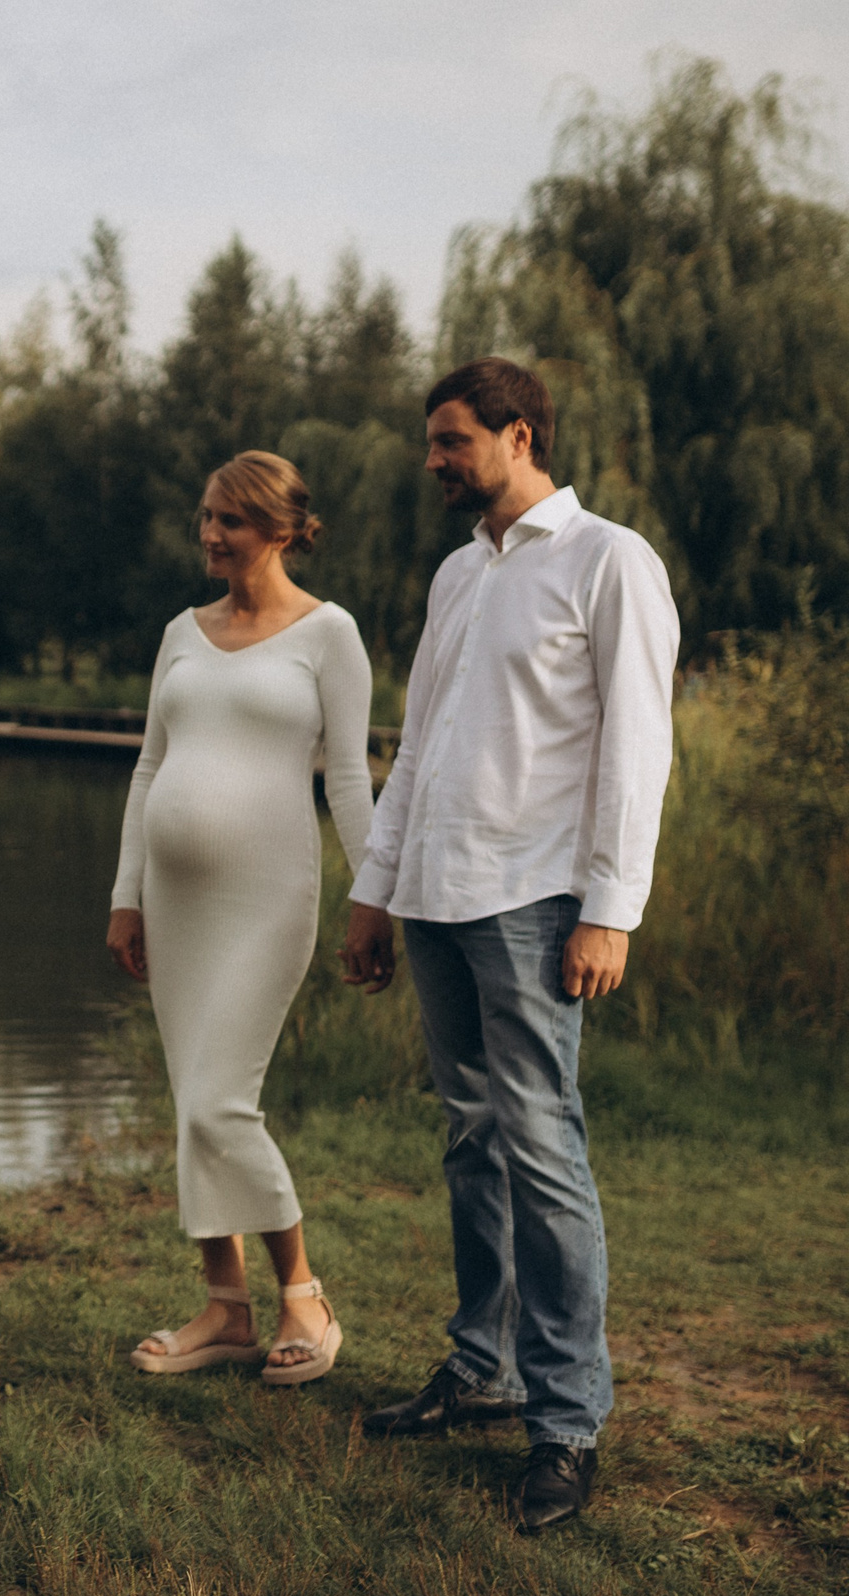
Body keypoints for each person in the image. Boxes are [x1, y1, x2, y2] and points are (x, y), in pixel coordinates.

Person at [340, 358, 678, 1535]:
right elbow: (420, 741)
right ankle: (477, 1365)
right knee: (468, 1137)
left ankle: (566, 1419)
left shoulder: (607, 562)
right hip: (435, 895)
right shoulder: (456, 575)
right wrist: (374, 891)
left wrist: (609, 909)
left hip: (535, 899)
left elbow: (637, 748)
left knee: (540, 1145)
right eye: (431, 442)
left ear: (516, 433)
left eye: (449, 441)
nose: (432, 460)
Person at [108, 450, 376, 1386]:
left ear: (281, 529)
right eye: (206, 517)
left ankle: (305, 1293)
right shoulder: (182, 631)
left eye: (229, 520)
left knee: (223, 1096)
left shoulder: (329, 635)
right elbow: (150, 765)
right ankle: (225, 1309)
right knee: (195, 1101)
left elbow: (347, 775)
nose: (211, 535)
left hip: (268, 898)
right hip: (176, 905)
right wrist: (125, 893)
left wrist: (375, 893)